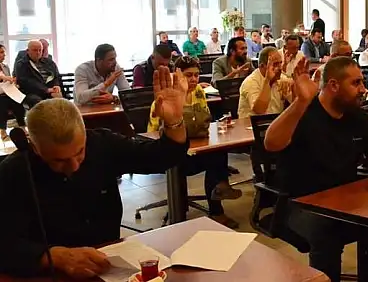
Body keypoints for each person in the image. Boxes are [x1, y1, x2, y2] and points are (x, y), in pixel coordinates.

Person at [0, 68, 189, 279]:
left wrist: (174, 121)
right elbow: (5, 244)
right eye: (59, 160)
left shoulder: (101, 144)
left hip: (108, 266)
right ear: (35, 147)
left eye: (79, 152)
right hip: (47, 274)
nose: (74, 166)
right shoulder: (14, 172)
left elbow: (162, 157)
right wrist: (53, 256)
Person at [264, 57, 368, 282]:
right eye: (356, 83)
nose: (363, 89)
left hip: (345, 200)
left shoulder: (357, 116)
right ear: (334, 85)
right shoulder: (304, 113)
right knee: (326, 232)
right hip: (300, 205)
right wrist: (300, 102)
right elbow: (271, 143)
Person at [148, 57, 242, 228]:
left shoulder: (198, 91)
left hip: (194, 145)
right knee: (214, 159)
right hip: (168, 152)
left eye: (196, 75)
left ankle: (219, 192)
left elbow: (203, 119)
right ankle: (217, 204)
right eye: (188, 75)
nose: (193, 79)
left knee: (218, 151)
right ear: (177, 75)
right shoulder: (168, 96)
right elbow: (155, 133)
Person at [238, 47, 294, 118]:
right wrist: (267, 81)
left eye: (280, 63)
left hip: (274, 122)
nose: (280, 68)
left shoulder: (281, 79)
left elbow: (295, 102)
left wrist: (295, 84)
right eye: (275, 64)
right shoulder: (250, 82)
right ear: (262, 66)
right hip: (252, 123)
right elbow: (259, 110)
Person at [16, 40, 62, 107]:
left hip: (50, 90)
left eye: (40, 50)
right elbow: (26, 82)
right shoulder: (22, 64)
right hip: (32, 93)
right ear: (28, 51)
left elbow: (56, 76)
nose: (38, 52)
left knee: (60, 101)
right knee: (38, 102)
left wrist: (56, 86)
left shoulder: (49, 62)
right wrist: (46, 90)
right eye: (35, 50)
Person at [0, 44, 25, 140]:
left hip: (8, 93)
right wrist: (5, 78)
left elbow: (8, 81)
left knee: (18, 102)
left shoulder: (5, 67)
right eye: (1, 52)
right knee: (2, 104)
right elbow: (3, 78)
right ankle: (2, 130)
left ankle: (22, 127)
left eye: (4, 52)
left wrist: (13, 83)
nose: (4, 55)